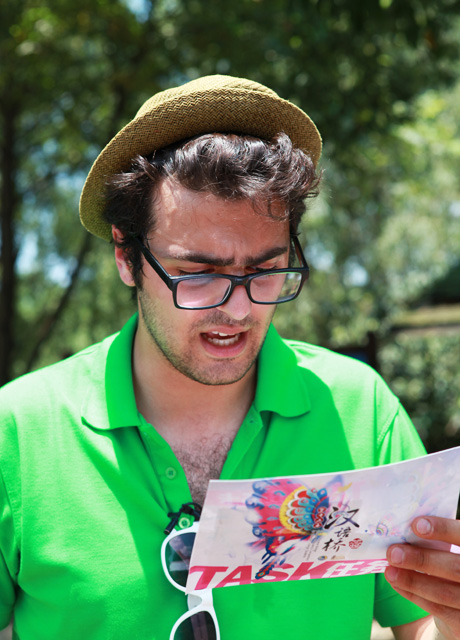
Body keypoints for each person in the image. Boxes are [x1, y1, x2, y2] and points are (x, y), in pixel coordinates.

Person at [0, 74, 459, 640]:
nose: (238, 310)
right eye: (197, 273)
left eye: (265, 270)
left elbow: (422, 624)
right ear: (125, 255)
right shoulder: (18, 431)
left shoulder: (360, 410)